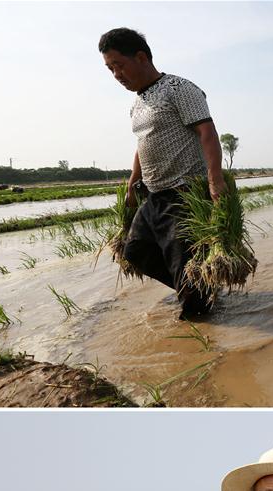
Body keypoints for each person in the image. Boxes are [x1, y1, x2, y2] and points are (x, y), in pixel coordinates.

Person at [99, 28, 227, 319]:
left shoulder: (179, 89)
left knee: (184, 269)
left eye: (119, 65)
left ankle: (198, 309)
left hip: (184, 194)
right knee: (136, 252)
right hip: (154, 195)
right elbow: (143, 144)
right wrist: (132, 183)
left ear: (141, 57)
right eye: (110, 69)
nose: (116, 74)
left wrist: (215, 178)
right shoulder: (137, 104)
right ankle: (199, 288)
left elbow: (207, 132)